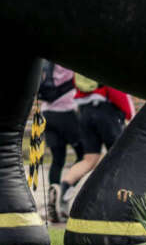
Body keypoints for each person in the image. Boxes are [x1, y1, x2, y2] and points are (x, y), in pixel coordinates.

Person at [54, 76, 133, 208]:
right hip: (106, 111)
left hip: (85, 111)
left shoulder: (82, 69)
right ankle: (117, 199)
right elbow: (116, 91)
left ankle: (63, 192)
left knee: (89, 159)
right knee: (120, 157)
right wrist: (129, 113)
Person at [35, 62, 81, 222]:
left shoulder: (50, 60)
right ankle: (65, 192)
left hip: (48, 112)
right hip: (67, 111)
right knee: (85, 155)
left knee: (57, 160)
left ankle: (53, 192)